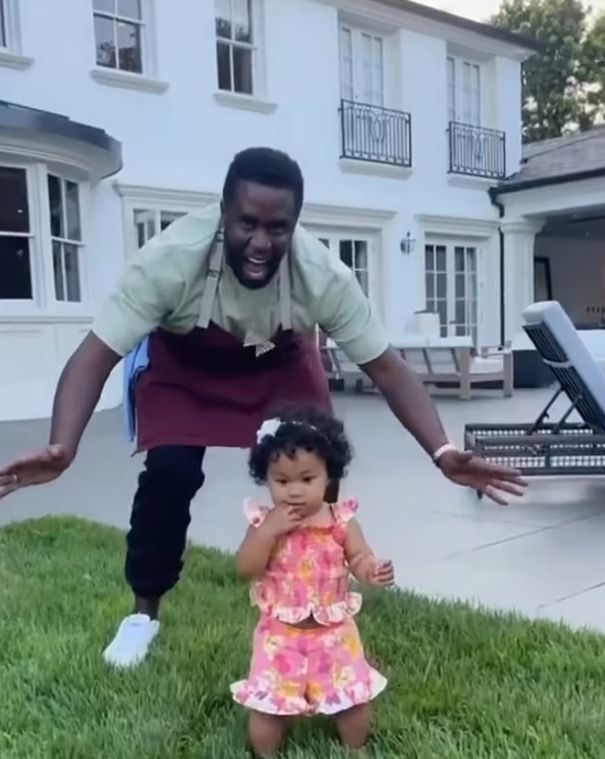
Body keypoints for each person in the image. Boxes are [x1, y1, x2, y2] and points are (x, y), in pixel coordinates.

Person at [0, 147, 525, 669]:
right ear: (223, 213)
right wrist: (63, 444)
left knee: (319, 469)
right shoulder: (169, 260)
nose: (260, 242)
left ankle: (320, 599)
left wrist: (442, 451)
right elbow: (96, 355)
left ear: (294, 225)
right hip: (185, 362)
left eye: (278, 229)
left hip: (280, 357)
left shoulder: (321, 275)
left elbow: (386, 368)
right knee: (169, 473)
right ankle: (143, 614)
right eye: (246, 223)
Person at [232, 406, 393, 757]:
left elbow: (359, 558)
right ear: (265, 478)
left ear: (328, 476)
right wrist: (268, 533)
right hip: (279, 637)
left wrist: (371, 569)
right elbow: (246, 568)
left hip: (335, 636)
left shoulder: (340, 521)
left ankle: (355, 748)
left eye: (307, 480)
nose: (294, 491)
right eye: (281, 481)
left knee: (353, 702)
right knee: (268, 707)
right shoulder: (264, 523)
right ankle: (266, 753)